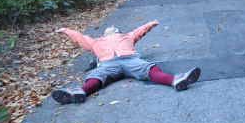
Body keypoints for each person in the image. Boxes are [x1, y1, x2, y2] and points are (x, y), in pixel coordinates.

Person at [52, 20, 201, 104]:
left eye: (114, 29)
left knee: (148, 68)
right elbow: (80, 38)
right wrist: (66, 30)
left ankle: (176, 80)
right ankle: (80, 92)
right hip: (110, 63)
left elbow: (139, 31)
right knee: (97, 75)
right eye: (110, 29)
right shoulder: (96, 41)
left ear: (117, 31)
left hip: (128, 60)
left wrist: (151, 23)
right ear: (105, 34)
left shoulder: (126, 36)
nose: (112, 29)